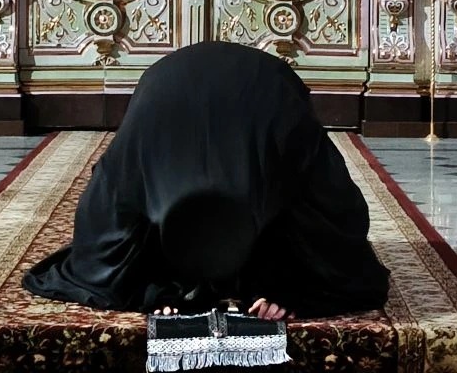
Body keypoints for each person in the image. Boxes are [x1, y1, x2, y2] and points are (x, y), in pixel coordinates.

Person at [23, 41, 390, 318]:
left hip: (265, 88)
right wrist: (156, 292)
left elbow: (337, 220)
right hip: (169, 91)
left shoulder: (287, 137)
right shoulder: (136, 164)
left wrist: (291, 292)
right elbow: (102, 238)